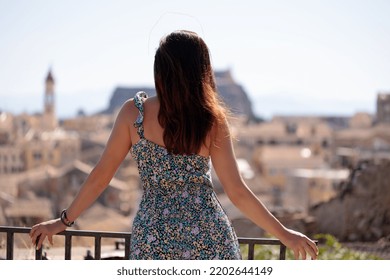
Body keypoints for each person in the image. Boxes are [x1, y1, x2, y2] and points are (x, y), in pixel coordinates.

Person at [30, 30, 319, 260]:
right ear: (202, 72)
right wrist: (284, 234)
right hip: (209, 235)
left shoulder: (134, 114)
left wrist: (62, 221)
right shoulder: (212, 121)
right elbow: (237, 193)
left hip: (154, 236)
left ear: (161, 71)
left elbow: (100, 177)